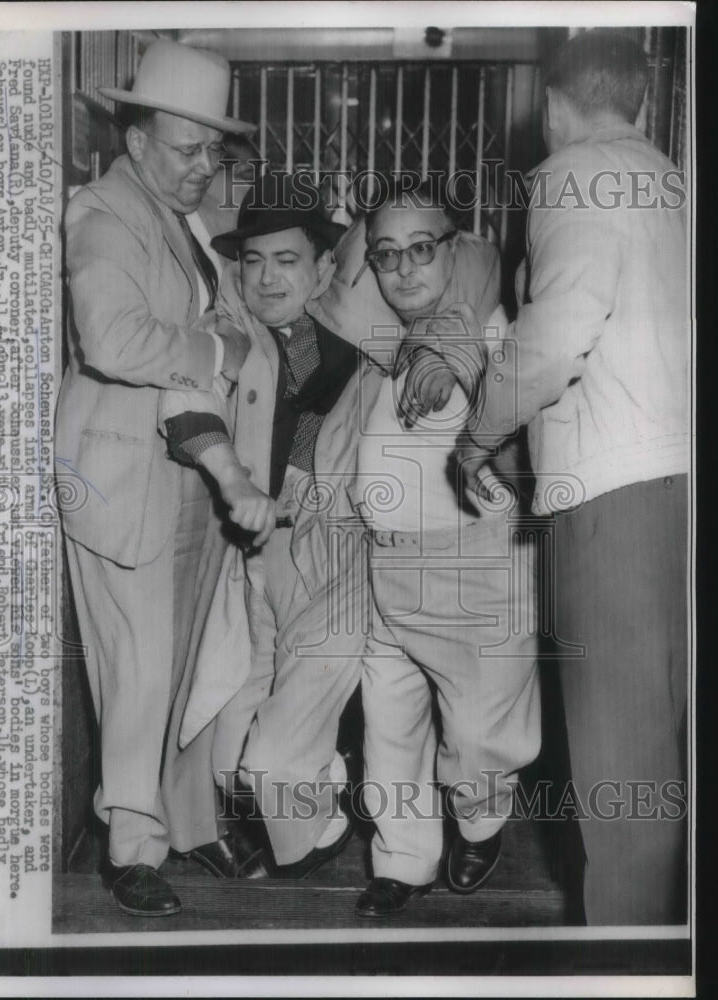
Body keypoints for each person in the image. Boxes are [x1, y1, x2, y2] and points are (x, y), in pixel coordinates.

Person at [452, 31, 689, 924]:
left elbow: (551, 344)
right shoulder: (674, 179)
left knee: (625, 793)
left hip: (617, 508)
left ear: (553, 106)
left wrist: (476, 439)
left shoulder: (574, 170)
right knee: (676, 774)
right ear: (640, 97)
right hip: (687, 494)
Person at [55, 40, 269, 918]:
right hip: (119, 479)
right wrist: (219, 347)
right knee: (137, 674)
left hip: (185, 474)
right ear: (136, 139)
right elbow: (113, 342)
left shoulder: (176, 221)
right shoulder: (104, 213)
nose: (200, 171)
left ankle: (180, 825)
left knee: (179, 668)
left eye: (210, 153)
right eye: (185, 151)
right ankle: (130, 847)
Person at [305, 182, 542, 917]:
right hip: (386, 563)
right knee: (389, 727)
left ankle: (479, 820)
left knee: (479, 730)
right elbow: (342, 266)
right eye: (387, 255)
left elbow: (492, 266)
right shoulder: (381, 334)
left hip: (472, 565)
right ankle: (403, 858)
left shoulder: (494, 331)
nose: (404, 269)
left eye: (422, 249)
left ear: (454, 246)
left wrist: (460, 345)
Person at [166, 173, 366, 876]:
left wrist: (297, 495)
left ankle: (327, 805)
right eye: (252, 261)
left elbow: (315, 437)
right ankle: (310, 791)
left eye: (287, 261)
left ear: (321, 271)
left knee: (268, 759)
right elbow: (187, 406)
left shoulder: (342, 357)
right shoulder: (233, 339)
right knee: (223, 753)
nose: (267, 276)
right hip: (248, 567)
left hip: (323, 563)